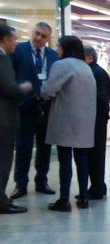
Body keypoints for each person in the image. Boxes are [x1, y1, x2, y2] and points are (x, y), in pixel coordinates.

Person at [41, 35, 96, 211]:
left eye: (59, 46)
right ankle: (83, 196)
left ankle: (64, 199)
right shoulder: (85, 67)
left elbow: (49, 90)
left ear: (66, 48)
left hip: (66, 119)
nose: (57, 50)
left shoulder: (62, 65)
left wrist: (40, 89)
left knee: (65, 159)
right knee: (82, 158)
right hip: (85, 121)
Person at [10, 22, 58, 199]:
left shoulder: (53, 55)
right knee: (23, 146)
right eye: (36, 33)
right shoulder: (19, 50)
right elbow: (10, 75)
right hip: (24, 106)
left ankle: (41, 181)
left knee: (45, 146)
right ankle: (20, 184)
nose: (38, 38)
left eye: (43, 36)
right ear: (32, 32)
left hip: (45, 106)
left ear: (48, 38)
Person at [0, 25, 32, 214]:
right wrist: (23, 88)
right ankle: (1, 202)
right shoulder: (2, 59)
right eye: (13, 39)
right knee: (3, 162)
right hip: (4, 119)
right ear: (4, 40)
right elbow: (9, 88)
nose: (16, 43)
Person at [84, 46, 110, 199]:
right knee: (97, 155)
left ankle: (97, 187)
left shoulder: (93, 73)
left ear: (89, 57)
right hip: (99, 119)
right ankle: (99, 186)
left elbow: (99, 98)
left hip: (96, 120)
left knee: (95, 155)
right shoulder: (99, 72)